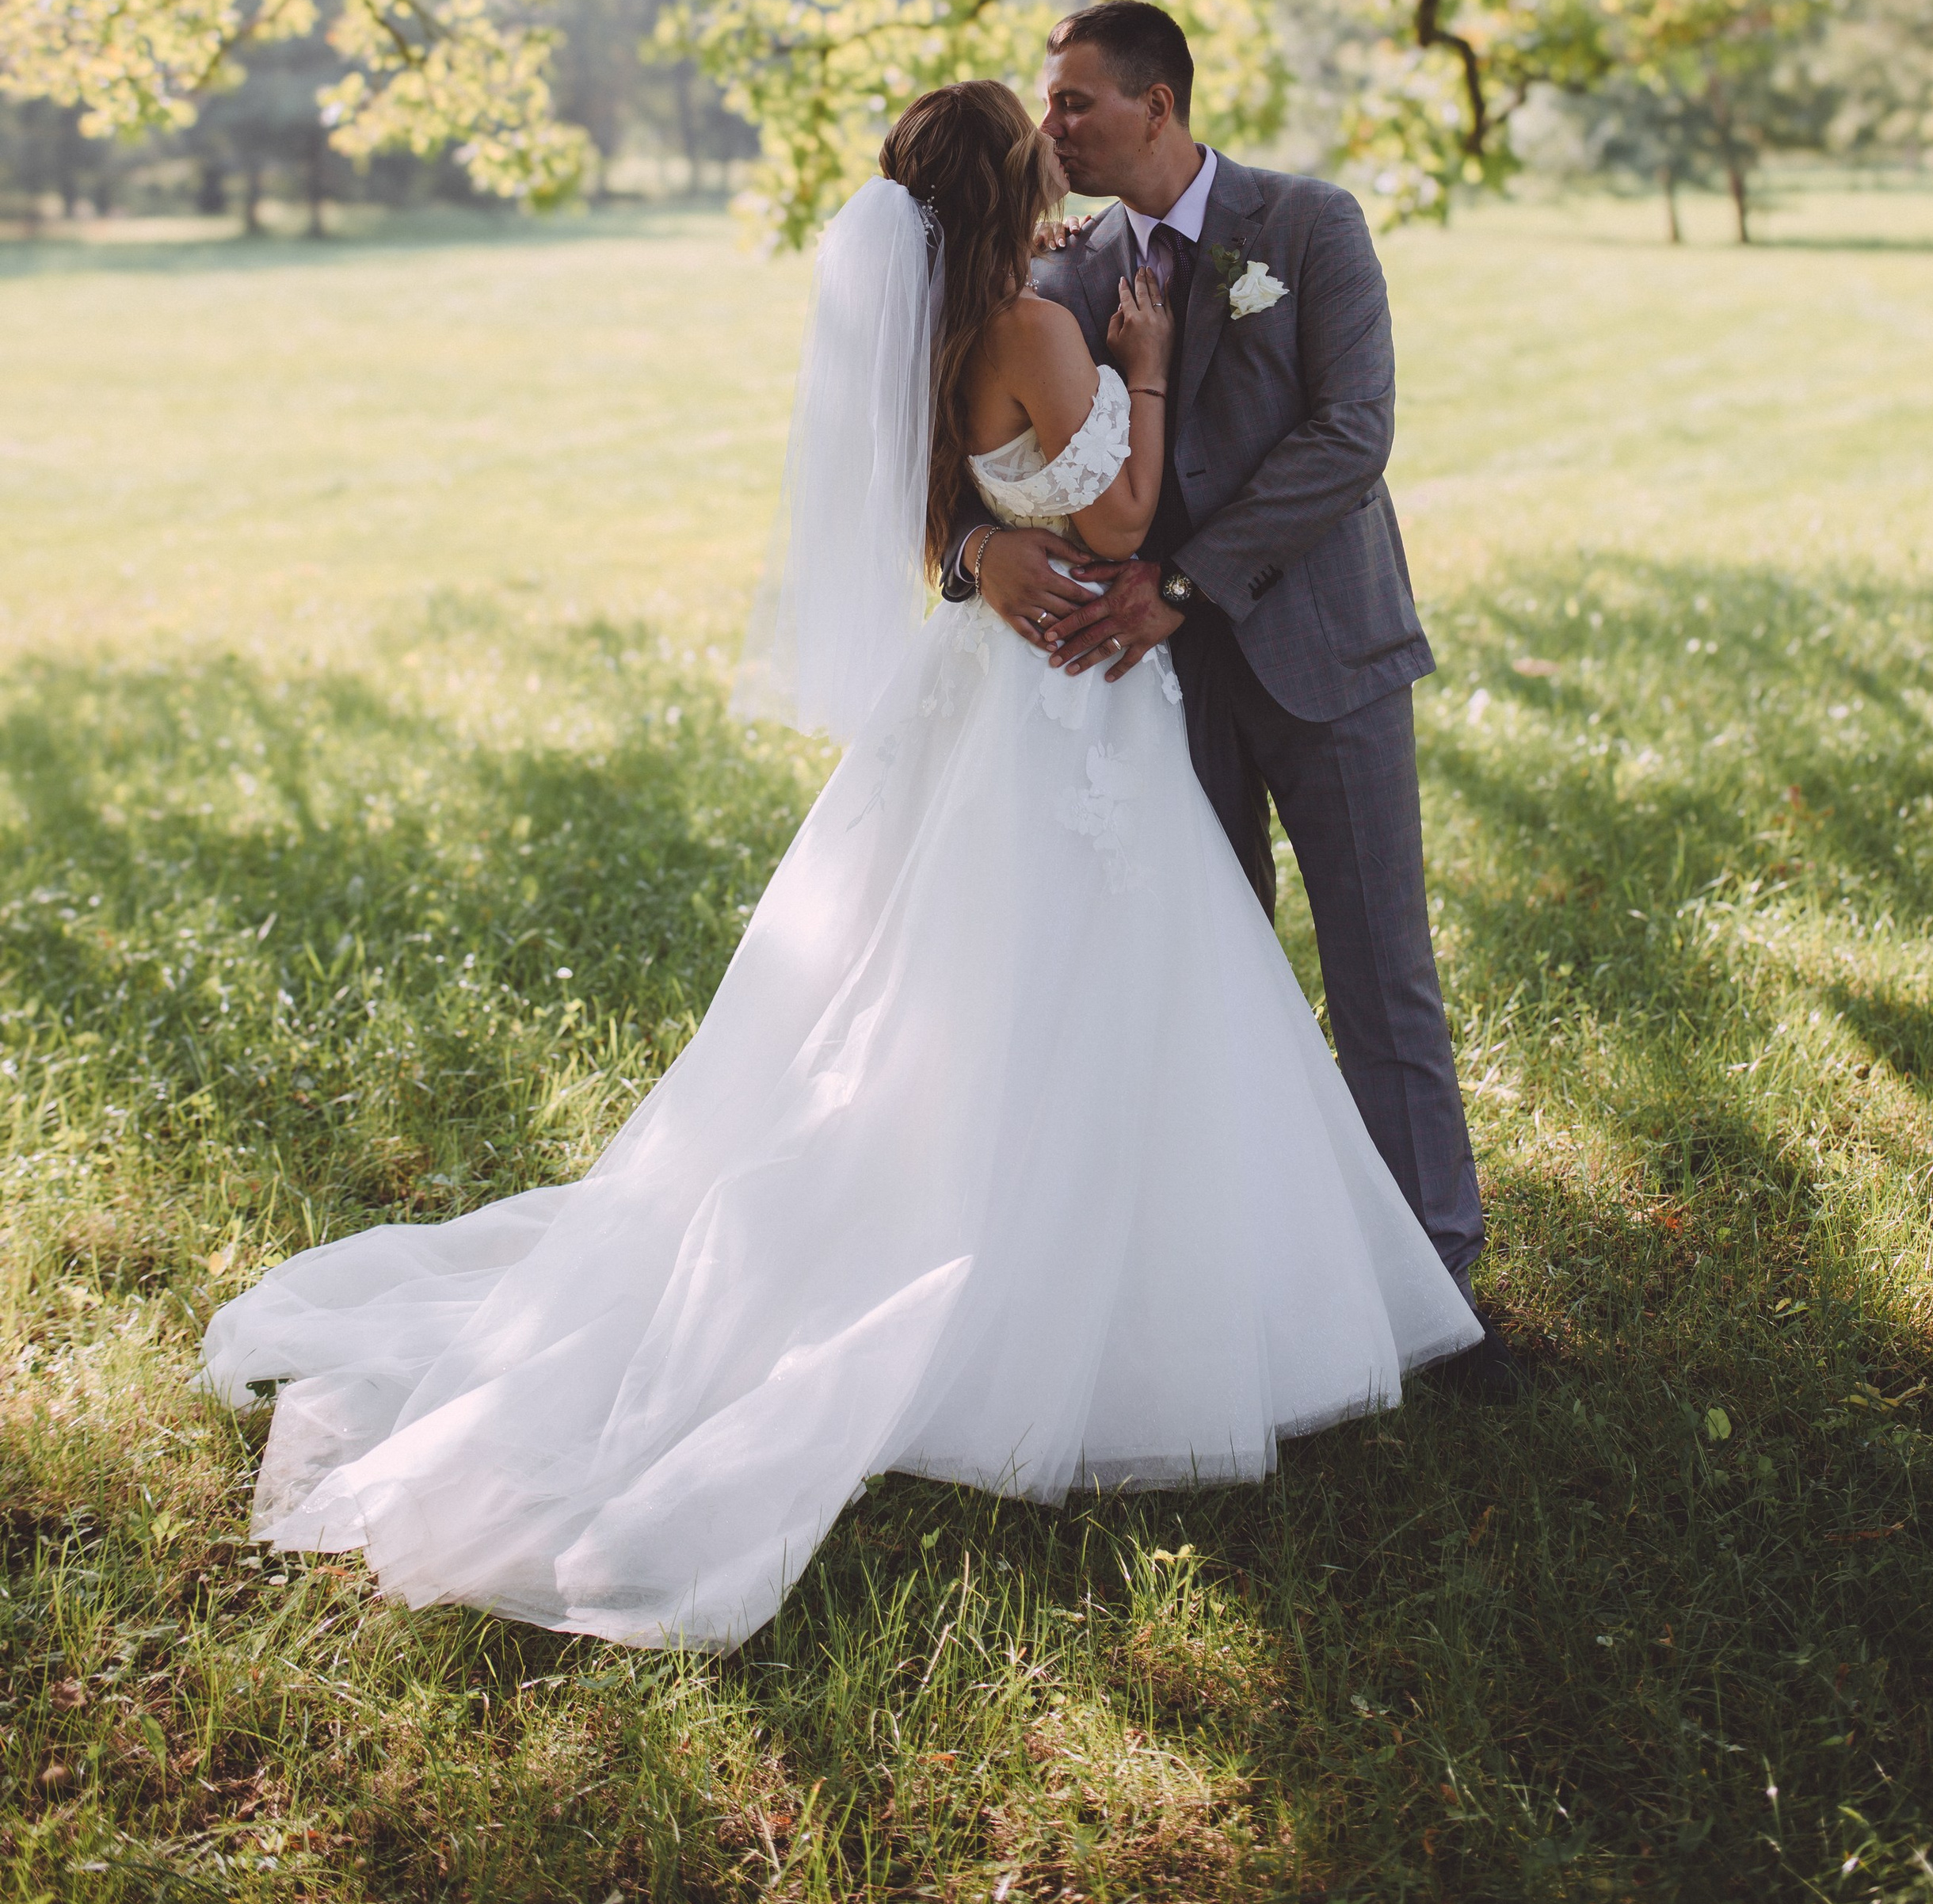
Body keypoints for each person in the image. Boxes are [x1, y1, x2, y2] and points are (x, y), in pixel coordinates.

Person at [199, 79, 1480, 1653]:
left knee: (953, 995)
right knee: (1094, 990)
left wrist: (979, 529)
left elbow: (926, 490)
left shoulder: (936, 324)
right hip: (1074, 704)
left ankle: (1052, 1253)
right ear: (1013, 190)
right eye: (1041, 146)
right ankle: (1092, 1310)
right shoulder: (1041, 321)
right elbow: (1125, 501)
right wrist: (1140, 372)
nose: (1065, 159)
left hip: (995, 707)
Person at [941, 4, 1511, 1383]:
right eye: (1046, 105)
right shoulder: (1059, 270)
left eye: (1076, 103)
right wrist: (974, 548)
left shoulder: (1309, 226)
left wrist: (1182, 582)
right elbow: (957, 444)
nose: (1052, 127)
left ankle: (1440, 1296)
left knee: (1384, 979)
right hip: (1153, 695)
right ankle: (1249, 1284)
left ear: (1160, 102)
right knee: (1213, 981)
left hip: (1326, 657)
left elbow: (1348, 438)